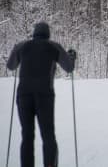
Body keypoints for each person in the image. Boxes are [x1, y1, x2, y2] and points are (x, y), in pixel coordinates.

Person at [7, 22, 76, 167]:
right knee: (48, 135)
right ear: (48, 34)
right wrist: (72, 56)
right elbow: (69, 67)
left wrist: (15, 51)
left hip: (23, 96)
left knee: (27, 136)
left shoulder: (21, 46)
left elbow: (10, 66)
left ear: (34, 33)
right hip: (45, 96)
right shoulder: (54, 46)